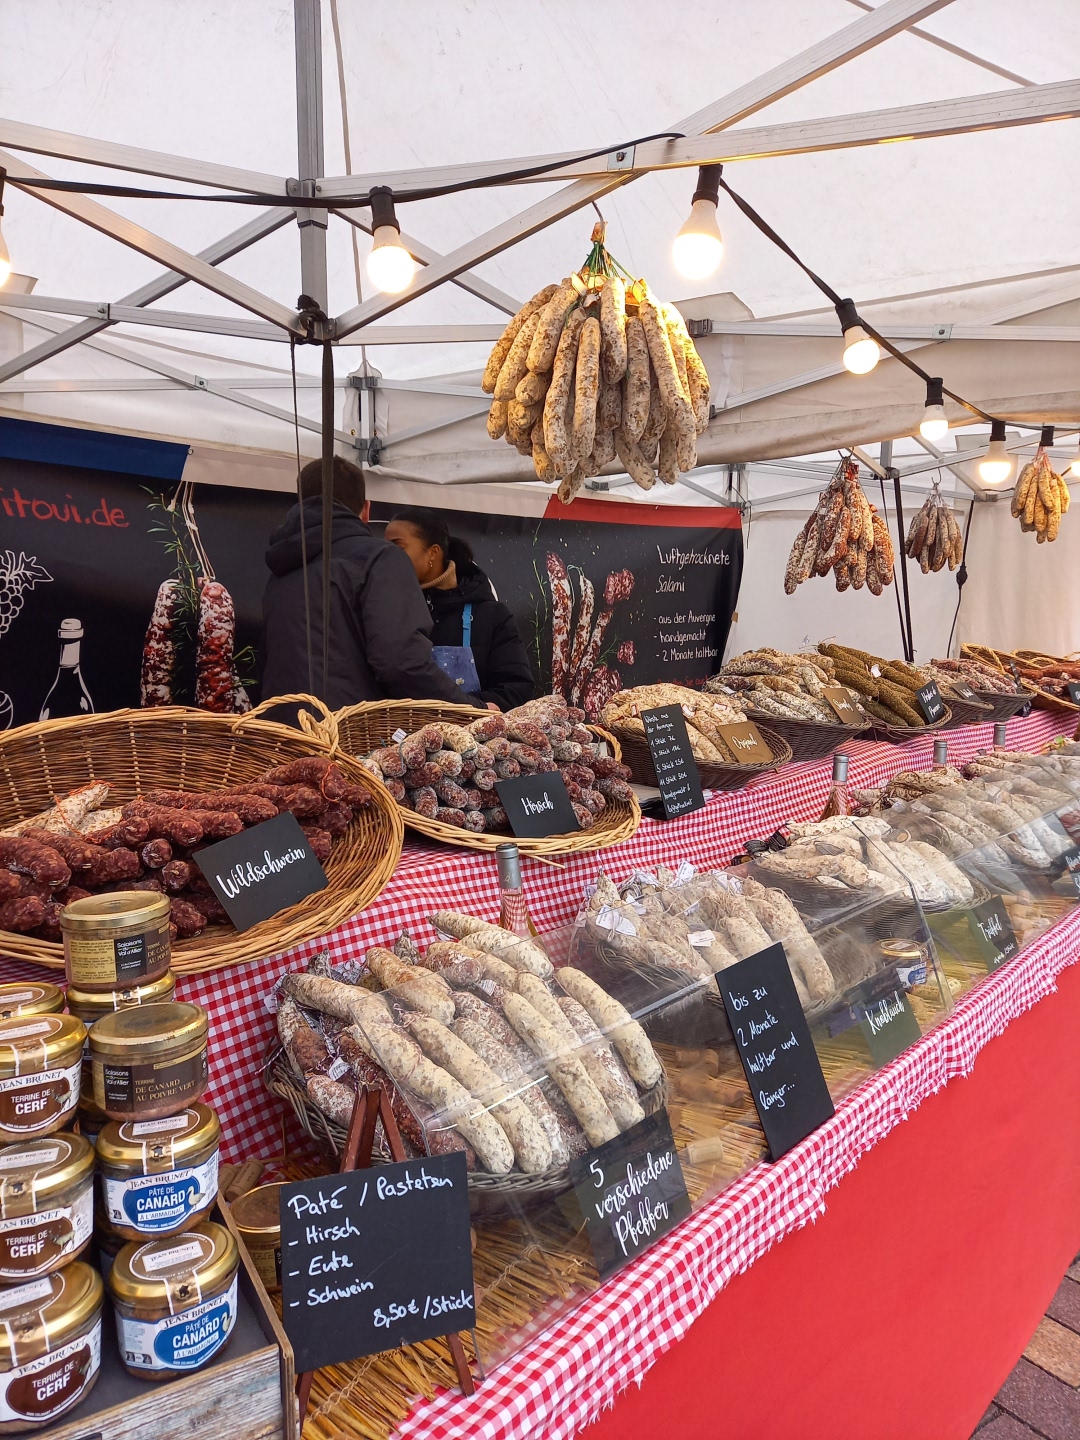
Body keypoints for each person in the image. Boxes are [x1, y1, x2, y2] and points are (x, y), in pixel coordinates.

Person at [260, 458, 463, 708]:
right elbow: (401, 664)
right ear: (366, 510)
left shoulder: (279, 570)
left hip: (279, 735)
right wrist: (470, 709)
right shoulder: (380, 558)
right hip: (347, 735)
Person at [383, 508, 535, 712]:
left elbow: (515, 689)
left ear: (433, 553)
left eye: (397, 547)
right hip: (398, 737)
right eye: (383, 548)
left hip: (471, 738)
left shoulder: (490, 615)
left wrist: (467, 710)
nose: (386, 556)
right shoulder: (386, 609)